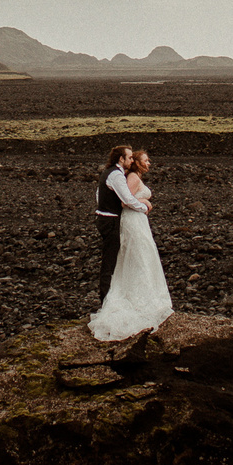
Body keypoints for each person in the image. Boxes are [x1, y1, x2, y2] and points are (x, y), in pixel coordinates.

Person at [90, 147, 172, 341]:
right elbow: (126, 201)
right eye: (146, 160)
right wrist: (145, 204)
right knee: (138, 256)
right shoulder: (130, 177)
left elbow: (100, 194)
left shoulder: (117, 174)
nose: (149, 163)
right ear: (127, 160)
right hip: (131, 220)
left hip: (130, 220)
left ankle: (130, 296)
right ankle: (125, 301)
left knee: (134, 257)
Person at [94, 144, 137, 295]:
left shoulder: (108, 172)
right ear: (121, 158)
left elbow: (98, 194)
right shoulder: (116, 175)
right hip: (110, 221)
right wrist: (144, 208)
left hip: (104, 218)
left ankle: (108, 295)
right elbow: (128, 199)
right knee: (110, 261)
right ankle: (106, 299)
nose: (132, 160)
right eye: (130, 157)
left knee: (110, 259)